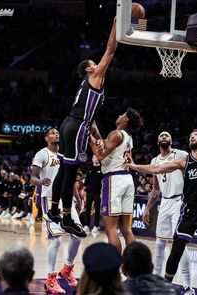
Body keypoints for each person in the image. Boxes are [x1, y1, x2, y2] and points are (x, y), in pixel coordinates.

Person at [46, 17, 118, 237]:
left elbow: (92, 118)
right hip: (77, 126)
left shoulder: (87, 85)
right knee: (70, 174)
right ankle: (67, 219)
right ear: (89, 70)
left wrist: (97, 135)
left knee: (63, 170)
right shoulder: (95, 77)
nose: (98, 65)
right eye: (93, 64)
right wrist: (117, 22)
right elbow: (111, 48)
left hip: (71, 123)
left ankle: (54, 210)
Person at [127, 129, 197, 290]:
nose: (192, 136)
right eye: (191, 135)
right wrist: (134, 166)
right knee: (176, 251)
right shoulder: (184, 161)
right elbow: (157, 169)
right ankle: (164, 287)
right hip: (189, 212)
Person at [31, 128, 82, 294]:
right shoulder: (42, 154)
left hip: (67, 200)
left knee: (78, 236)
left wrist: (78, 198)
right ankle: (51, 279)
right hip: (49, 198)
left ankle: (67, 269)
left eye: (57, 132)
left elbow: (71, 178)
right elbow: (33, 177)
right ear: (46, 138)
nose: (56, 134)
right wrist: (40, 181)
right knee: (56, 240)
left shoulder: (66, 154)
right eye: (52, 133)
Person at [143, 131, 193, 294]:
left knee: (179, 243)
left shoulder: (181, 154)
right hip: (164, 202)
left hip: (180, 201)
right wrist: (147, 208)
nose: (164, 137)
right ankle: (156, 281)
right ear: (158, 142)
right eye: (161, 136)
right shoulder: (154, 161)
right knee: (160, 243)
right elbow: (156, 189)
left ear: (171, 141)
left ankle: (188, 286)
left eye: (167, 136)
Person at [90, 108, 143, 252]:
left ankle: (116, 267)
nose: (119, 115)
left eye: (122, 114)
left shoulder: (115, 134)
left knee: (111, 229)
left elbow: (100, 156)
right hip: (127, 179)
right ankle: (133, 265)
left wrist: (87, 136)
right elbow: (104, 145)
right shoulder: (128, 138)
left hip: (114, 179)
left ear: (125, 120)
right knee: (126, 229)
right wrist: (94, 130)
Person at [83, 155, 103, 233]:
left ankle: (96, 226)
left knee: (97, 210)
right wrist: (84, 191)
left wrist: (102, 191)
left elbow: (103, 181)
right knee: (87, 209)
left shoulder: (102, 169)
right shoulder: (89, 168)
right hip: (89, 192)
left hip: (98, 192)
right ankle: (86, 225)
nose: (96, 159)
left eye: (97, 157)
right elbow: (86, 180)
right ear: (92, 159)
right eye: (94, 157)